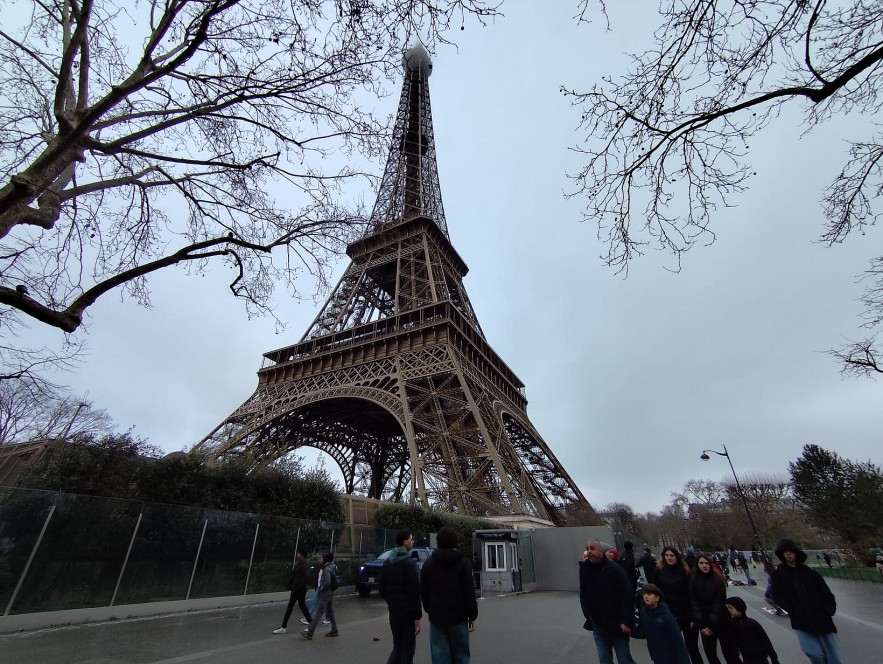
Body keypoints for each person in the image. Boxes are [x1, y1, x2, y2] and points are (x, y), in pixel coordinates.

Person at [770, 538, 841, 664]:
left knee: (833, 657)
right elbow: (776, 593)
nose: (788, 554)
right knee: (814, 654)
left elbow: (825, 592)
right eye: (785, 552)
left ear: (796, 552)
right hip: (801, 619)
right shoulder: (779, 574)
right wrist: (790, 608)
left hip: (822, 617)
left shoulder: (810, 572)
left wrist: (829, 609)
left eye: (790, 551)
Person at [420, 526, 478, 664]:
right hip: (458, 617)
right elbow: (469, 592)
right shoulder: (464, 564)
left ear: (438, 541)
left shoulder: (428, 564)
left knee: (439, 655)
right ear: (455, 542)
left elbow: (424, 590)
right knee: (461, 655)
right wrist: (472, 615)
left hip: (437, 617)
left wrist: (429, 609)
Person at [579, 539, 639, 664]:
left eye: (592, 548)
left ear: (601, 551)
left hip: (617, 624)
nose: (589, 551)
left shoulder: (615, 569)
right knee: (604, 659)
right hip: (598, 623)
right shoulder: (584, 569)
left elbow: (626, 596)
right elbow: (583, 593)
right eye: (587, 548)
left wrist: (626, 621)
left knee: (624, 660)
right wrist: (588, 614)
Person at [650, 546, 702, 664]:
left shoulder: (685, 571)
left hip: (686, 613)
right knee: (672, 648)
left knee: (692, 648)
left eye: (672, 555)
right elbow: (655, 591)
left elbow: (692, 594)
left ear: (677, 557)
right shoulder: (658, 570)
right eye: (667, 555)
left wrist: (693, 615)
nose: (669, 558)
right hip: (668, 613)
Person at [689, 552, 740, 664]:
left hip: (721, 621)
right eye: (701, 563)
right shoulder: (693, 582)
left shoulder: (718, 580)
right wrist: (701, 625)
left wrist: (711, 626)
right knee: (711, 654)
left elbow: (719, 603)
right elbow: (694, 604)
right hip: (704, 623)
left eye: (706, 563)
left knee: (730, 653)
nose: (704, 565)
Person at [379, 530, 422, 664]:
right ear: (404, 542)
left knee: (397, 646)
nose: (412, 541)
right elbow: (415, 591)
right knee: (408, 649)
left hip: (394, 611)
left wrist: (392, 601)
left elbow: (382, 589)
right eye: (411, 538)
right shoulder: (409, 564)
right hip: (408, 612)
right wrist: (417, 616)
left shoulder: (387, 563)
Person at [633, 583, 690, 664]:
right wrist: (629, 630)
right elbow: (644, 632)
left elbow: (677, 640)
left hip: (671, 657)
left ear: (657, 598)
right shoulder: (644, 614)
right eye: (644, 594)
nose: (646, 596)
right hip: (656, 656)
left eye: (649, 594)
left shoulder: (666, 616)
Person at [726, 596, 780, 664]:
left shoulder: (752, 624)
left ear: (739, 610)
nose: (728, 610)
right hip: (747, 657)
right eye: (727, 608)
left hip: (760, 657)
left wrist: (774, 658)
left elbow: (765, 640)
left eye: (730, 608)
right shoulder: (732, 624)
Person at [273, 548, 311, 634]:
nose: (297, 555)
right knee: (297, 607)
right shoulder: (300, 564)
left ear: (301, 555)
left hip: (299, 590)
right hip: (297, 589)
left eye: (298, 554)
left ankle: (284, 627)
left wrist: (296, 587)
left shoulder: (304, 564)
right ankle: (284, 626)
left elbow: (305, 578)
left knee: (297, 607)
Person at [301, 552, 339, 639]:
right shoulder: (334, 567)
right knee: (330, 611)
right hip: (331, 591)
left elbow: (327, 582)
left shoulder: (326, 569)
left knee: (319, 611)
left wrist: (322, 588)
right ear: (332, 559)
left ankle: (310, 632)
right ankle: (334, 629)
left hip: (326, 592)